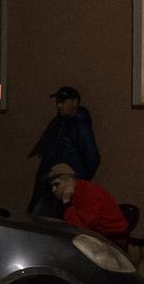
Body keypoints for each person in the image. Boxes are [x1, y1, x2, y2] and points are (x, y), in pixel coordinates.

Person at [28, 85, 100, 216]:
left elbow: (92, 157)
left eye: (63, 102)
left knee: (51, 220)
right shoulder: (59, 123)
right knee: (40, 218)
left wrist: (76, 181)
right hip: (50, 183)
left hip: (64, 186)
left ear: (75, 102)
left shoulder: (80, 125)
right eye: (57, 102)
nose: (59, 105)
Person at [47, 163, 129, 239]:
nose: (53, 190)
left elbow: (80, 230)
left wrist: (67, 203)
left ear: (69, 181)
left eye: (56, 184)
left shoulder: (87, 192)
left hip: (112, 240)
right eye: (52, 186)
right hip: (97, 237)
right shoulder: (75, 193)